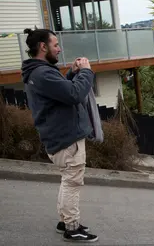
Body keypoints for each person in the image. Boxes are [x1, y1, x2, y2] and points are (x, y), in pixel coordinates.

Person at [21, 28, 98, 243]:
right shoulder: (43, 73)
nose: (59, 49)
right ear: (43, 47)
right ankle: (72, 228)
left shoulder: (39, 71)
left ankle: (66, 220)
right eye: (55, 45)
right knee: (72, 182)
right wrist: (86, 72)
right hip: (66, 138)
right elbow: (74, 94)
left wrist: (73, 73)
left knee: (67, 180)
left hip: (59, 136)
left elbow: (61, 91)